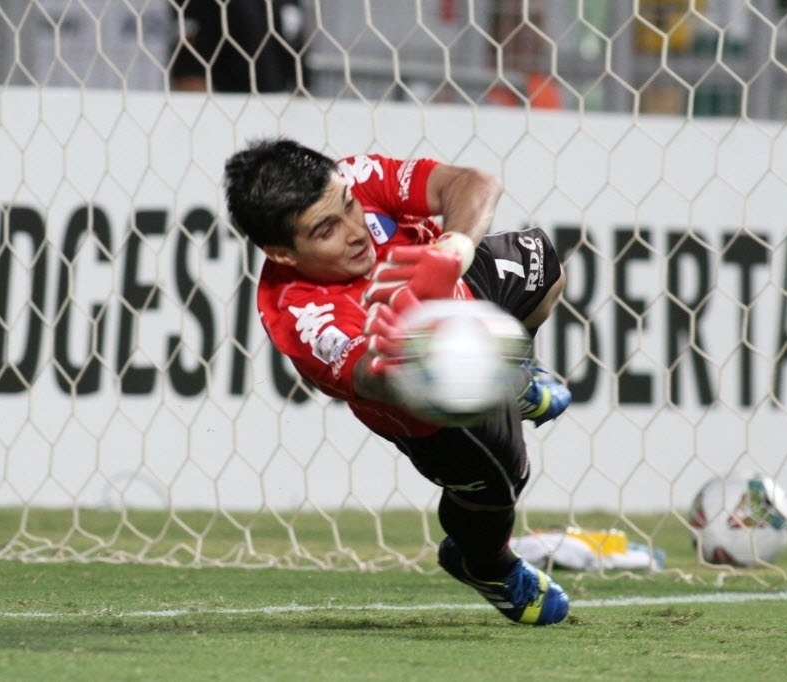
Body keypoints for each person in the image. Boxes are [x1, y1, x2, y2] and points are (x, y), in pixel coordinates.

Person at [223, 137, 573, 625]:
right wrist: (413, 343)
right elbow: (371, 379)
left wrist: (453, 248)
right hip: (430, 412)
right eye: (326, 230)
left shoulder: (355, 177)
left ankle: (510, 372)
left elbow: (473, 184)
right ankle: (486, 567)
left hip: (462, 291)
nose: (355, 231)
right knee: (498, 489)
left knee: (543, 265)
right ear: (282, 254)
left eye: (348, 206)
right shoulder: (302, 312)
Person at [169, 0, 311, 94]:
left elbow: (300, 80)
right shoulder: (203, 4)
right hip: (231, 114)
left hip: (278, 113)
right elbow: (189, 75)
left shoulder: (288, 4)